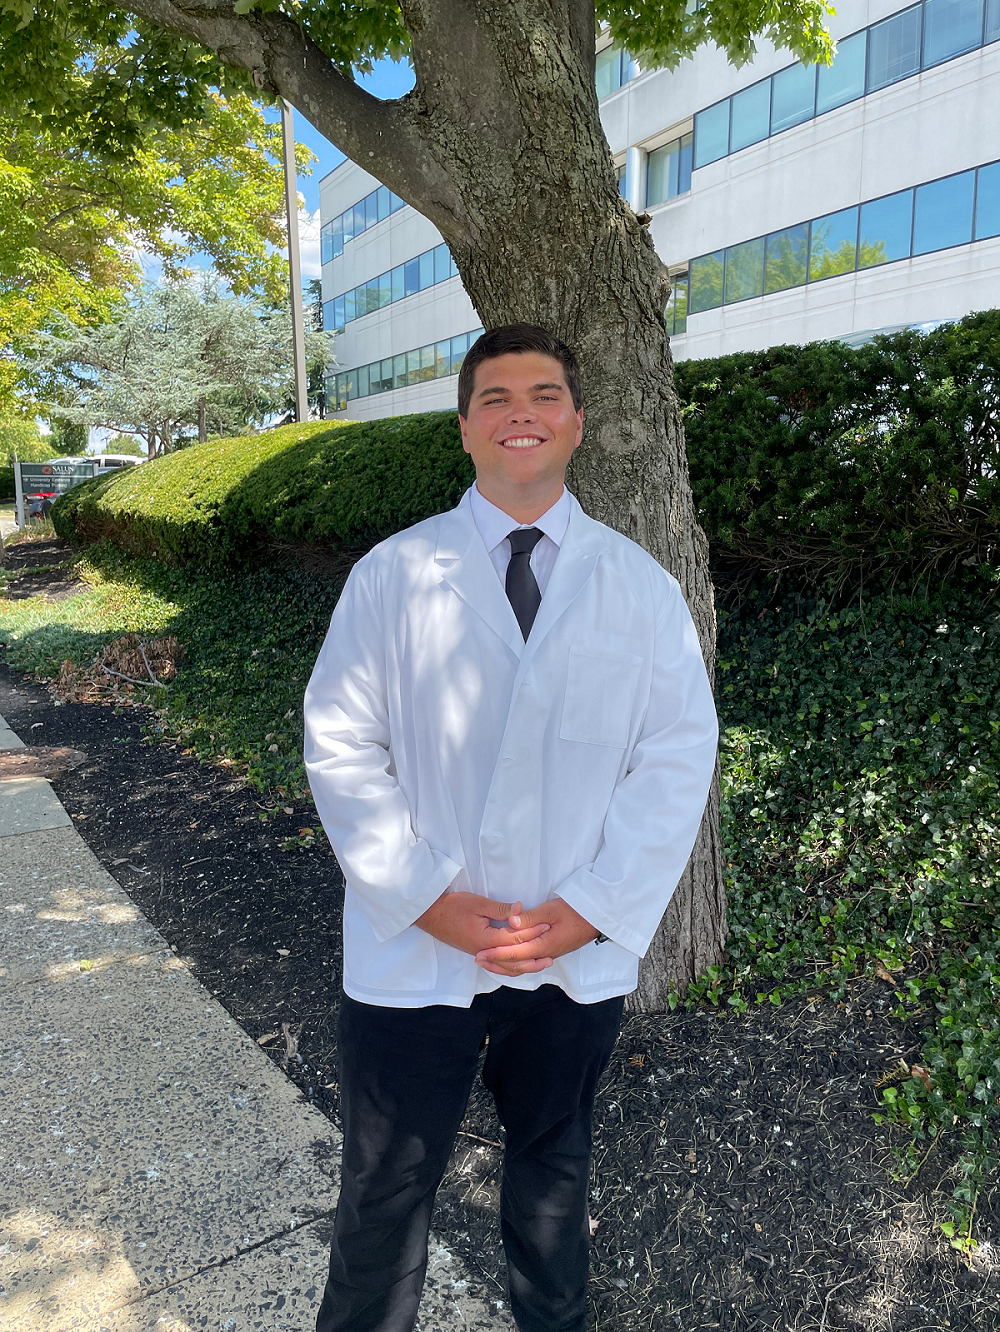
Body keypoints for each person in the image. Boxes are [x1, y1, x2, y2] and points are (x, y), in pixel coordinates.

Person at [303, 323, 718, 1332]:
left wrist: (594, 908)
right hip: (418, 952)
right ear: (464, 430)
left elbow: (674, 756)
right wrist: (424, 898)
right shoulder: (391, 577)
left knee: (551, 1183)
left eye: (542, 394)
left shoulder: (639, 588)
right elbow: (342, 746)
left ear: (575, 423)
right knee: (383, 1195)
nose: (519, 412)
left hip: (568, 953)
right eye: (494, 398)